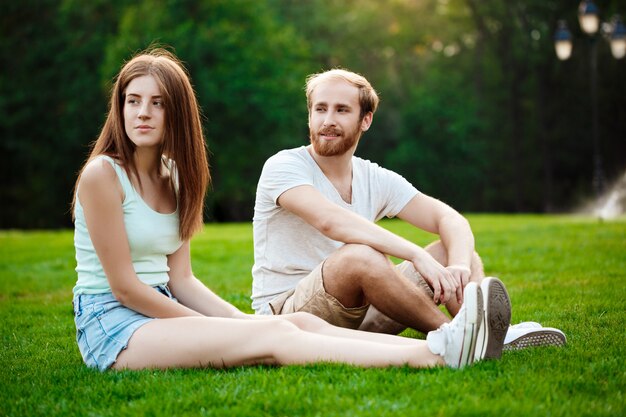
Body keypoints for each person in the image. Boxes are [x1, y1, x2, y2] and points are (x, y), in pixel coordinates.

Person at [71, 48, 493, 373]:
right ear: (119, 106)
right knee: (278, 333)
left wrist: (235, 320)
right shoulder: (101, 176)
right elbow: (125, 289)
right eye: (132, 101)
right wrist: (238, 327)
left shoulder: (175, 175)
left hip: (158, 306)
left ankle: (448, 343)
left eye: (157, 103)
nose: (142, 112)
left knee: (302, 328)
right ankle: (435, 356)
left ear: (175, 111)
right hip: (113, 325)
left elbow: (181, 279)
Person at [251, 68, 565, 355]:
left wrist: (456, 266)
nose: (327, 120)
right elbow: (330, 221)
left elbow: (450, 219)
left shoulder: (372, 176)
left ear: (366, 120)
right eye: (320, 109)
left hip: (360, 313)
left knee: (451, 249)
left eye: (341, 110)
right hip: (288, 316)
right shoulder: (284, 166)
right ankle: (456, 336)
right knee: (361, 255)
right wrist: (416, 254)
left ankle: (488, 330)